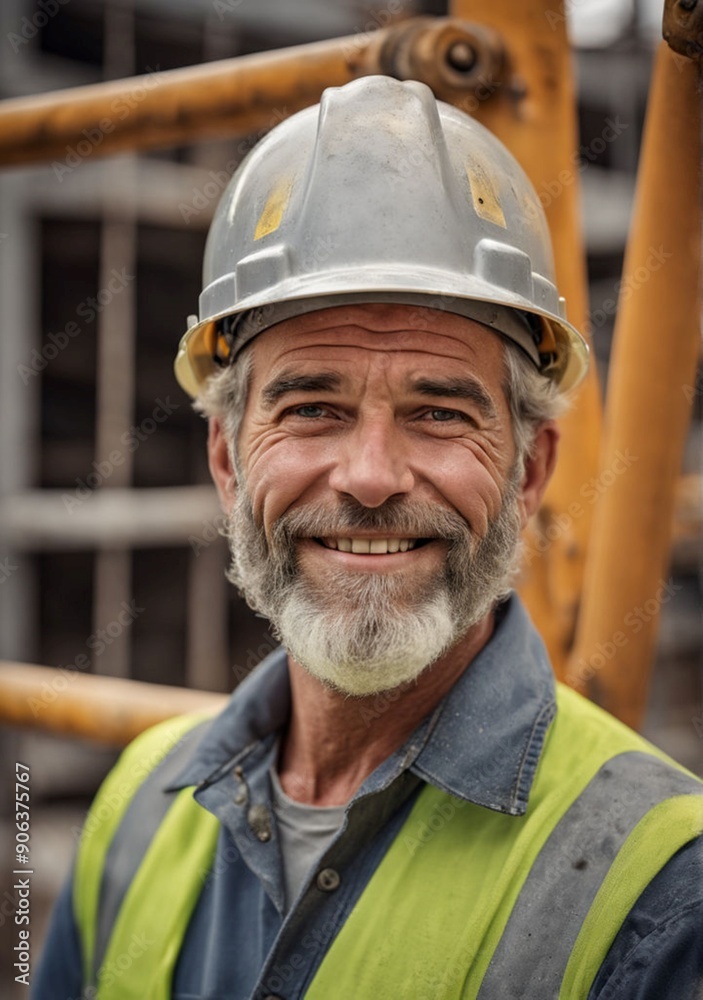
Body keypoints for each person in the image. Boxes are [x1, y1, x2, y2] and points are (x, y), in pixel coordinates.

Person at [34, 76, 702, 1000]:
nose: (371, 476)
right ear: (228, 460)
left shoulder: (667, 892)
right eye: (312, 407)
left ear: (529, 470)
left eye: (438, 413)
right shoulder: (138, 806)